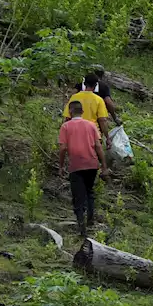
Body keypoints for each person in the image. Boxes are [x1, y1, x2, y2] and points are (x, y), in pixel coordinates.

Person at [58, 99, 105, 237]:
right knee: (89, 192)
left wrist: (61, 166)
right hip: (92, 164)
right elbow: (98, 146)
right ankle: (90, 220)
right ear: (82, 112)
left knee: (78, 197)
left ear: (70, 111)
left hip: (76, 165)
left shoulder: (65, 127)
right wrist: (104, 165)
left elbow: (63, 148)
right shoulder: (91, 125)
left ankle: (81, 227)